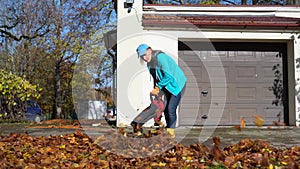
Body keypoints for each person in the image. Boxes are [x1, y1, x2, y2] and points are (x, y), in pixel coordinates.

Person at [136, 44, 186, 138]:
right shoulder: (149, 64)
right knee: (165, 108)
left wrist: (158, 87)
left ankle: (171, 133)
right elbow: (156, 78)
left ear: (150, 50)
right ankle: (168, 130)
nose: (145, 58)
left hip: (177, 84)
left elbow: (169, 76)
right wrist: (157, 90)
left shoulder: (161, 57)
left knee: (171, 108)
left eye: (145, 54)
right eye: (142, 56)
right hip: (166, 86)